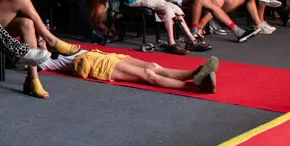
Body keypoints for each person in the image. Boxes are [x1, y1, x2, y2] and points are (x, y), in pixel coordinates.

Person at [39, 50, 219, 92]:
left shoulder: (51, 41)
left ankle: (196, 73)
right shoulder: (42, 59)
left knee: (153, 66)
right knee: (148, 75)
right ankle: (195, 87)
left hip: (103, 55)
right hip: (94, 63)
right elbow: (35, 65)